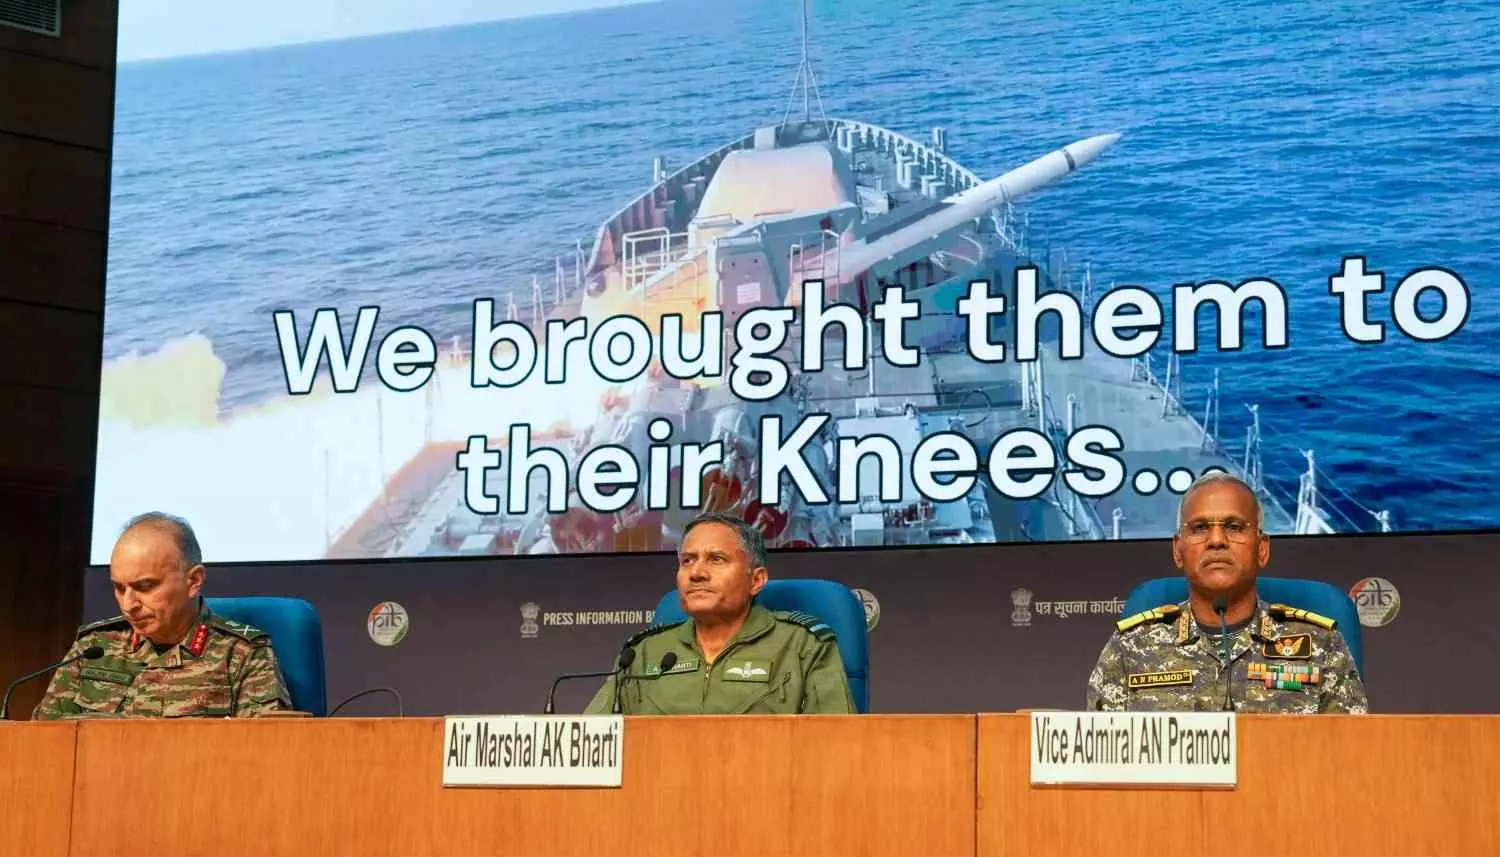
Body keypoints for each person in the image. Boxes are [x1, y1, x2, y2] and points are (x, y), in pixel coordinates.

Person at [1086, 471, 1368, 713]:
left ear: (1261, 549)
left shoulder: (1322, 644)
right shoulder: (1129, 647)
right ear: (1178, 551)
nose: (1217, 540)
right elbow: (1099, 753)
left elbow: (1353, 750)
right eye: (1200, 528)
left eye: (1234, 527)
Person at [584, 512, 856, 715]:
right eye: (687, 560)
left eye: (716, 559)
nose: (696, 573)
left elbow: (839, 748)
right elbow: (586, 750)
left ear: (756, 580)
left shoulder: (803, 648)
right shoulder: (641, 654)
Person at [31, 512, 292, 719]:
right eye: (119, 588)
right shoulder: (93, 648)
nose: (128, 604)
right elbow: (44, 740)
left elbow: (266, 752)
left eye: (145, 587)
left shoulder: (243, 655)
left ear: (194, 580)